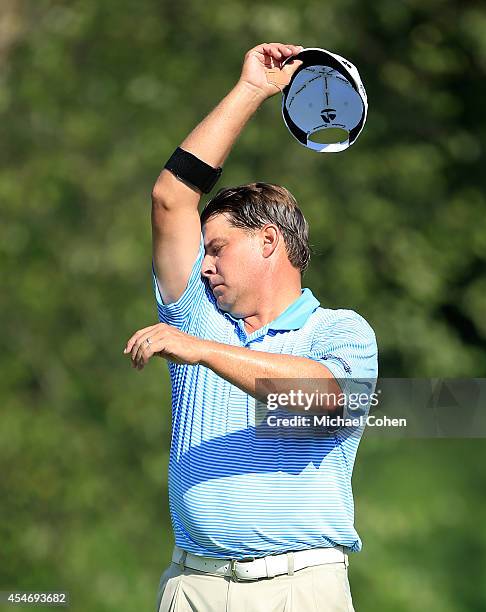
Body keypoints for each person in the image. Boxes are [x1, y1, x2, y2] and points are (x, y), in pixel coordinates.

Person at [123, 42, 378, 612]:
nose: (203, 265)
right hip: (194, 586)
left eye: (217, 248)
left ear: (269, 241)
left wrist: (203, 352)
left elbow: (322, 398)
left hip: (301, 587)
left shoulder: (342, 332)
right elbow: (171, 198)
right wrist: (252, 91)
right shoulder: (199, 312)